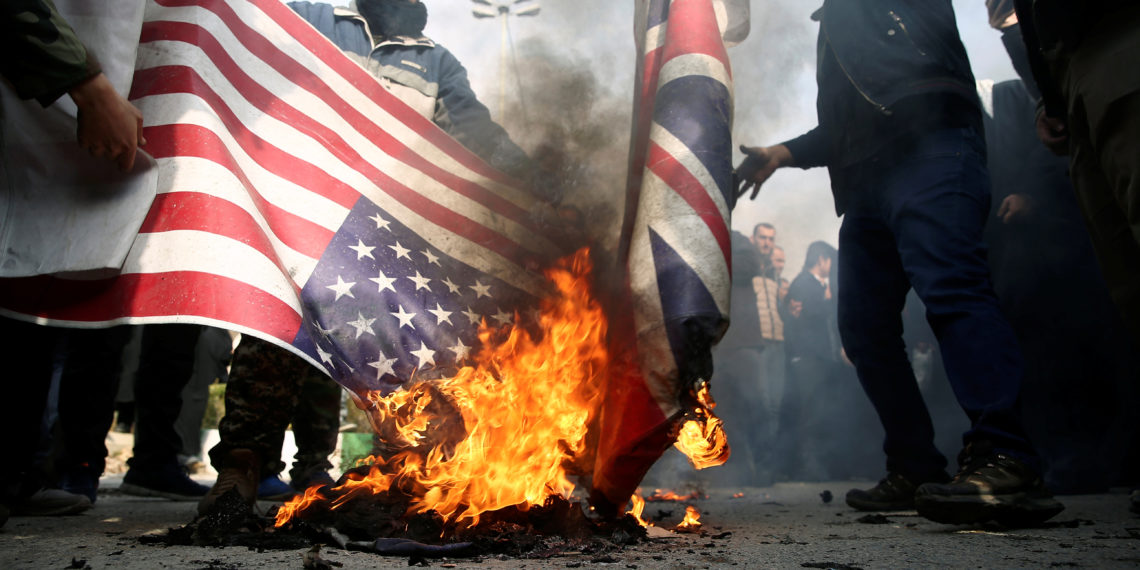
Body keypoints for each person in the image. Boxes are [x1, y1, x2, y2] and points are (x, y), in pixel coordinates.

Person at [199, 0, 550, 512]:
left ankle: (392, 473)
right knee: (277, 334)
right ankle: (242, 467)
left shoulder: (434, 62)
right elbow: (246, 55)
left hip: (386, 233)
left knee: (406, 348)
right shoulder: (309, 21)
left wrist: (538, 186)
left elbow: (475, 135)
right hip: (303, 217)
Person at [735, 1, 1062, 525]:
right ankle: (914, 463)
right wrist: (783, 152)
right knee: (863, 328)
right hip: (867, 179)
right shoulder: (832, 26)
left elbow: (901, 91)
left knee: (953, 290)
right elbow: (847, 125)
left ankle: (1007, 458)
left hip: (932, 150)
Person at [0, 0, 145, 527]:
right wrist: (90, 86)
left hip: (58, 129)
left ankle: (14, 472)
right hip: (38, 100)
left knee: (35, 295)